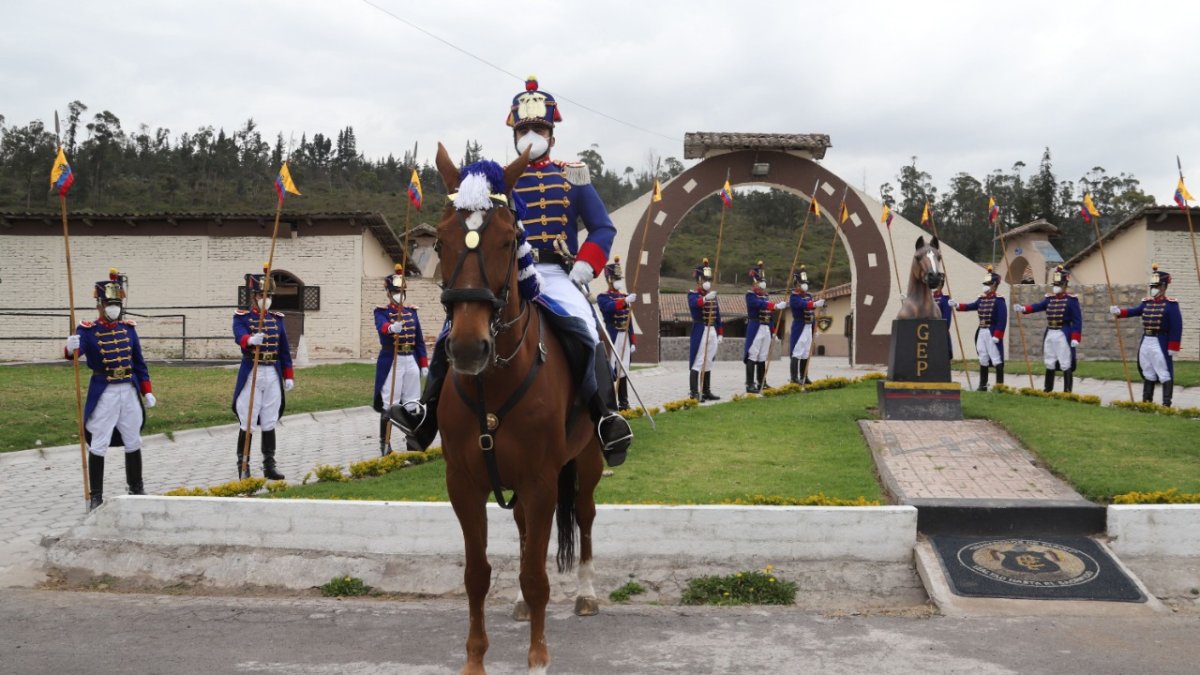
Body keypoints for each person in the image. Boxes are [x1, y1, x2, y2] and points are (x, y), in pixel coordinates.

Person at [391, 76, 632, 467]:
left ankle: (606, 415)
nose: (531, 135)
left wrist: (587, 263)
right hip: (505, 273)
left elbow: (603, 226)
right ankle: (425, 411)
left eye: (538, 128)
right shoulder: (497, 179)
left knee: (586, 329)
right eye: (524, 129)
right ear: (515, 132)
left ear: (551, 135)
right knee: (453, 331)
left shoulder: (574, 175)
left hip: (557, 272)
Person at [64, 268, 156, 511]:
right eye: (109, 303)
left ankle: (136, 486)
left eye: (116, 303)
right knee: (99, 441)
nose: (114, 307)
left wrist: (146, 390)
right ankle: (96, 495)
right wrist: (69, 346)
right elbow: (74, 354)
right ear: (99, 305)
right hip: (105, 390)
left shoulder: (129, 329)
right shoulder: (88, 330)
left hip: (128, 390)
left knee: (133, 438)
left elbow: (139, 362)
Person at [232, 266, 294, 479]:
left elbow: (284, 350)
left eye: (268, 295)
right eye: (261, 295)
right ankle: (244, 465)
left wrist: (288, 375)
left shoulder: (277, 319)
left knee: (269, 419)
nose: (265, 299)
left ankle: (269, 465)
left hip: (272, 373)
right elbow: (238, 334)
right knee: (248, 420)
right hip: (253, 371)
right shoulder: (242, 317)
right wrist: (249, 340)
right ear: (254, 296)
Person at [373, 264, 428, 454]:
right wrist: (390, 328)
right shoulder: (381, 311)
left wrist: (423, 363)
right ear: (388, 293)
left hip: (410, 359)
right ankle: (385, 443)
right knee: (390, 403)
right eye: (396, 291)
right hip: (393, 359)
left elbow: (419, 340)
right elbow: (381, 326)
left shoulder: (412, 312)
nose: (400, 294)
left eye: (402, 291)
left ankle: (412, 442)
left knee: (413, 402)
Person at [1110, 264, 1183, 407]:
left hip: (1160, 341)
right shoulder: (1147, 303)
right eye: (1152, 285)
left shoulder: (1171, 305)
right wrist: (1119, 312)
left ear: (1163, 287)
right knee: (1147, 369)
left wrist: (1173, 345)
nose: (1153, 288)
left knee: (1163, 371)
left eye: (1156, 286)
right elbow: (1135, 311)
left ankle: (1166, 403)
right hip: (1147, 340)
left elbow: (1177, 326)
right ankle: (1146, 402)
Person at [1016, 265, 1081, 393]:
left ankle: (1067, 391)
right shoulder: (1049, 299)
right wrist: (1024, 308)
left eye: (1058, 283)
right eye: (1055, 283)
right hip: (1050, 332)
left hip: (1063, 333)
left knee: (1065, 361)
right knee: (1049, 360)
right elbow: (1038, 306)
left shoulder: (1071, 301)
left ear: (1064, 284)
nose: (1055, 286)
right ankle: (1047, 389)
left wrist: (1076, 337)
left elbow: (1078, 320)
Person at [954, 265, 1007, 391]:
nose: (985, 286)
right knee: (982, 357)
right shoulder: (981, 299)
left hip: (992, 333)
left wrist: (997, 336)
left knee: (996, 359)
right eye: (985, 283)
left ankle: (999, 387)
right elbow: (970, 306)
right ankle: (982, 385)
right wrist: (957, 305)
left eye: (988, 283)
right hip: (982, 332)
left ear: (994, 285)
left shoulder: (999, 301)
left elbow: (1002, 320)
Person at [596, 257, 636, 411]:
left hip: (624, 336)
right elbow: (608, 308)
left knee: (623, 368)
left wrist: (633, 342)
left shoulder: (624, 296)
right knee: (610, 369)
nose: (619, 281)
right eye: (617, 278)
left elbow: (629, 321)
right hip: (611, 335)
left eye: (620, 278)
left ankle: (624, 403)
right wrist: (625, 301)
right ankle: (609, 403)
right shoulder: (603, 297)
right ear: (610, 279)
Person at [743, 262, 786, 392]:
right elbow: (759, 305)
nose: (761, 286)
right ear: (754, 283)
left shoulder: (765, 296)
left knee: (762, 356)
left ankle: (762, 382)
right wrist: (775, 306)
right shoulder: (750, 295)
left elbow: (769, 317)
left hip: (765, 328)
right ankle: (750, 384)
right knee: (752, 355)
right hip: (755, 327)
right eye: (759, 283)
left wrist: (773, 332)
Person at [688, 258, 723, 400]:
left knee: (708, 360)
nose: (707, 281)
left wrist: (720, 332)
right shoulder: (693, 294)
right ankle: (694, 392)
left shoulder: (712, 296)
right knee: (698, 360)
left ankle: (706, 390)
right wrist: (705, 299)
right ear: (699, 280)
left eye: (708, 278)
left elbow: (718, 315)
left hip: (712, 329)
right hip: (700, 329)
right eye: (705, 278)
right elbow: (694, 304)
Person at [787, 266, 826, 384]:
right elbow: (803, 305)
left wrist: (815, 329)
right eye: (801, 283)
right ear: (796, 284)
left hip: (809, 327)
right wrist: (815, 303)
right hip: (800, 326)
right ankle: (794, 378)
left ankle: (804, 376)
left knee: (805, 353)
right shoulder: (794, 297)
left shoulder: (808, 296)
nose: (804, 285)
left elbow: (811, 314)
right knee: (797, 352)